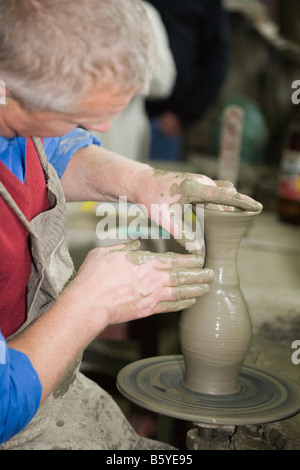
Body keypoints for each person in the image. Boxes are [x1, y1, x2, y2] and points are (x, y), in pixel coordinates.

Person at [0, 0, 262, 450]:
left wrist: (141, 182)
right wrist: (91, 303)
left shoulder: (24, 106)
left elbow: (50, 148)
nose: (101, 128)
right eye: (72, 115)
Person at [146, 0, 229, 161]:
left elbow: (216, 59)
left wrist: (184, 115)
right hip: (119, 109)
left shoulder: (207, 5)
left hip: (165, 120)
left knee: (158, 178)